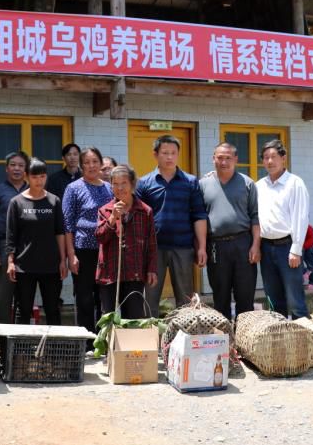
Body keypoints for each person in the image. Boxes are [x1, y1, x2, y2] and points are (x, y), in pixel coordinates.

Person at [136, 135, 208, 317]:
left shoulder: (190, 182)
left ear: (178, 154)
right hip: (153, 249)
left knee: (185, 300)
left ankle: (181, 340)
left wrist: (202, 247)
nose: (169, 157)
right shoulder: (144, 183)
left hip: (183, 247)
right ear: (155, 154)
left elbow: (199, 215)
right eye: (165, 153)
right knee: (149, 298)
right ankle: (149, 339)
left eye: (173, 153)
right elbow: (138, 218)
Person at [199, 142, 260, 321]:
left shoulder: (247, 183)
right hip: (216, 246)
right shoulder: (203, 184)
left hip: (243, 244)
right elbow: (199, 218)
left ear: (235, 159)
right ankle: (224, 342)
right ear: (213, 159)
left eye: (228, 158)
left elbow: (255, 217)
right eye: (220, 158)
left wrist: (256, 245)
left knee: (245, 296)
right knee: (220, 296)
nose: (223, 162)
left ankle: (244, 339)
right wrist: (201, 247)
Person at [5, 158, 67, 325]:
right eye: (34, 177)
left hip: (51, 265)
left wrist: (63, 260)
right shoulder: (17, 202)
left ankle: (55, 350)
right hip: (24, 266)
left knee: (53, 309)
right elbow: (11, 235)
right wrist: (11, 261)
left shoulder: (54, 201)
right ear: (27, 177)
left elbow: (60, 232)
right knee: (23, 310)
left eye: (42, 177)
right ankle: (20, 350)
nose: (38, 181)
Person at [255, 139, 309, 319]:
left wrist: (296, 248)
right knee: (273, 299)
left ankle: (303, 343)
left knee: (295, 300)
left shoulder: (295, 183)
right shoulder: (259, 185)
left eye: (274, 157)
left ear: (283, 158)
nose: (269, 161)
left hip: (288, 248)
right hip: (266, 247)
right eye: (265, 158)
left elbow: (301, 217)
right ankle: (280, 342)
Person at [95, 164, 157, 318]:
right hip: (110, 274)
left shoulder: (145, 211)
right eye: (115, 184)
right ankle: (110, 343)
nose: (119, 188)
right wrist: (112, 217)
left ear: (132, 184)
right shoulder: (105, 210)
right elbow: (100, 237)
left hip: (134, 273)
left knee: (134, 319)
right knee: (108, 320)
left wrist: (152, 269)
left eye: (124, 183)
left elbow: (151, 243)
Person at [63, 146, 113, 334]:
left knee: (104, 297)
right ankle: (86, 340)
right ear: (81, 165)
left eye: (95, 162)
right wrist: (71, 254)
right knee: (84, 297)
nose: (91, 166)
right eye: (87, 163)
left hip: (106, 250)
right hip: (83, 250)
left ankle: (103, 338)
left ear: (101, 164)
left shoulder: (109, 188)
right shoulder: (73, 188)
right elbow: (67, 224)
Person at [0, 151, 29, 324]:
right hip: (3, 247)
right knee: (3, 296)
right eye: (13, 165)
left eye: (20, 165)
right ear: (6, 168)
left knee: (25, 295)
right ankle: (1, 341)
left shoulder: (32, 190)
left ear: (26, 169)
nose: (17, 169)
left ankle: (21, 340)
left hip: (27, 247)